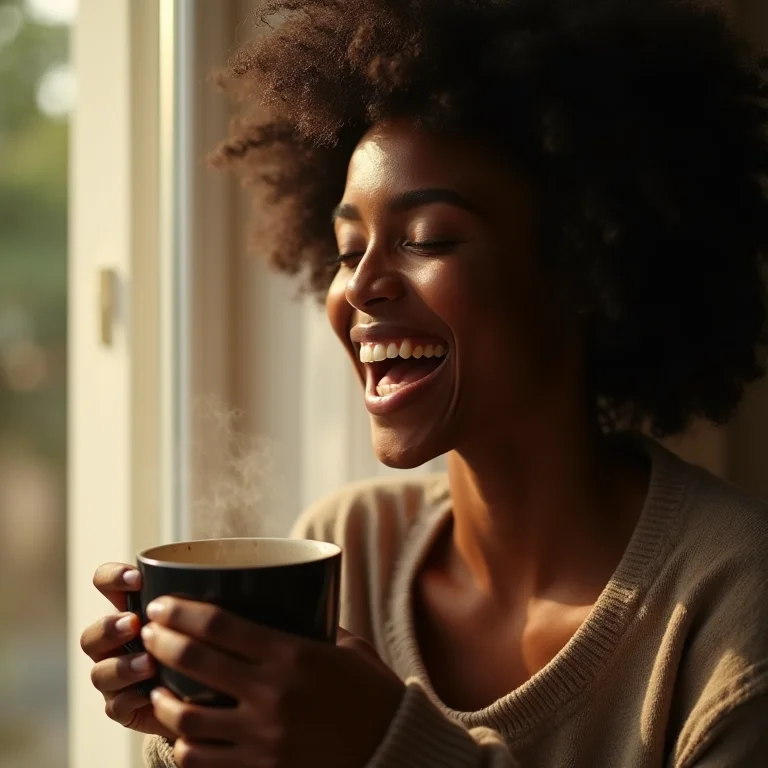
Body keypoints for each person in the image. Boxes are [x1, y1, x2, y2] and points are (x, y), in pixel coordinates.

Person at [80, 0, 768, 765]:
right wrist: (195, 725)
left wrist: (387, 746)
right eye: (347, 250)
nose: (362, 286)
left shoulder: (734, 603)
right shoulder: (347, 545)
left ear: (583, 266)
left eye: (428, 239)